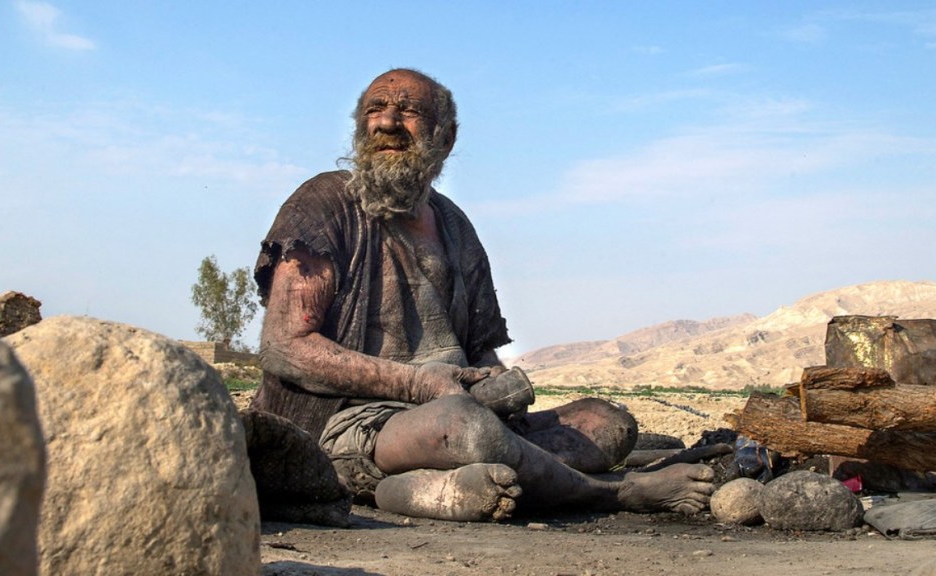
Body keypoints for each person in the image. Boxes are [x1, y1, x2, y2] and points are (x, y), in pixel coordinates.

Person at [252, 68, 714, 522]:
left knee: (606, 423)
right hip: (352, 423)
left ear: (445, 138)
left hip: (453, 411)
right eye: (376, 109)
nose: (388, 122)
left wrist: (494, 381)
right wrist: (417, 384)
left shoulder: (455, 225)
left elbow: (479, 349)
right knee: (465, 427)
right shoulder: (322, 203)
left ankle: (425, 489)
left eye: (408, 110)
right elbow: (285, 348)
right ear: (360, 127)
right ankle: (613, 493)